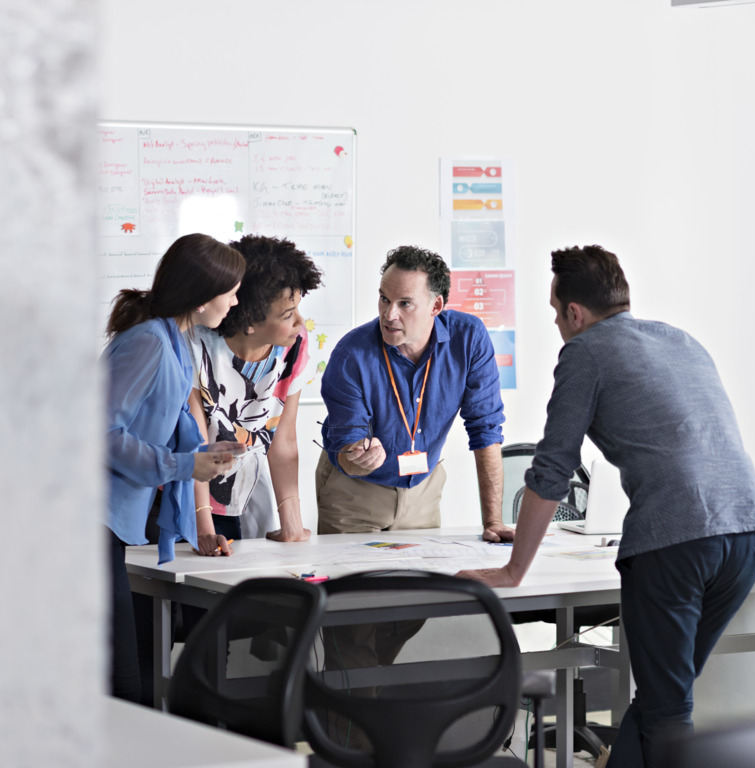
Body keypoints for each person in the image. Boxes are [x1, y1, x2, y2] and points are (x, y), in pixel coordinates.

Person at [459, 245, 755, 767]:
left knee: (668, 707)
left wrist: (515, 569)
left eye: (556, 314)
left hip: (675, 542)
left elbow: (553, 466)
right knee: (661, 696)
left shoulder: (585, 351)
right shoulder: (682, 340)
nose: (557, 324)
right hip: (748, 534)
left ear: (574, 313)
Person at [104, 232, 245, 702]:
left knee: (128, 674)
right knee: (123, 680)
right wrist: (185, 464)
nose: (236, 300)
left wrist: (210, 455)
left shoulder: (175, 340)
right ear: (203, 295)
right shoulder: (149, 341)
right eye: (231, 290)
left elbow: (176, 422)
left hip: (108, 522)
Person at [316, 244, 514, 538]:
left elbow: (485, 429)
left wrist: (493, 522)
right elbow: (346, 447)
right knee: (355, 583)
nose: (389, 314)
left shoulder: (469, 338)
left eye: (405, 303)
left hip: (423, 489)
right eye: (384, 299)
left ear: (436, 307)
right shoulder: (351, 354)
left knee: (420, 581)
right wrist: (357, 457)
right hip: (356, 493)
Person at [186, 234, 322, 553]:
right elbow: (192, 444)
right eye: (288, 314)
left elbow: (283, 440)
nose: (300, 322)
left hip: (244, 495)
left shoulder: (295, 345)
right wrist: (203, 528)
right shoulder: (193, 345)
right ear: (249, 320)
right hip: (187, 497)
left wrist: (290, 522)